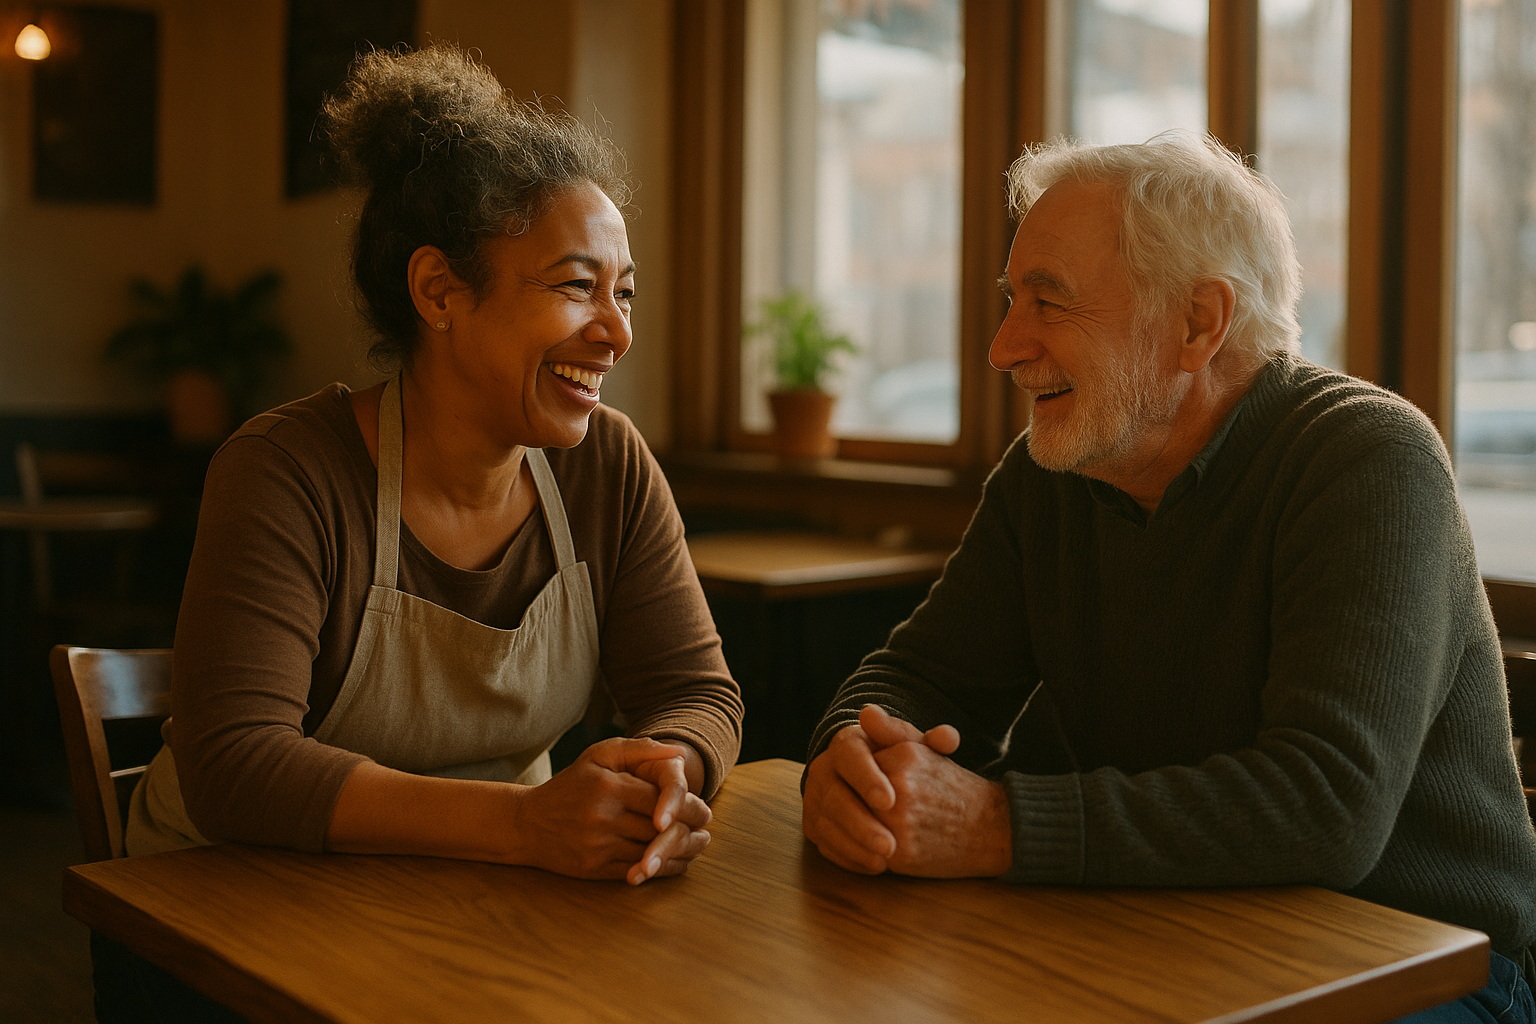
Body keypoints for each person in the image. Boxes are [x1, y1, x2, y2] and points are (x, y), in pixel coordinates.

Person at [800, 133, 1536, 1023]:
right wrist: (852, 762)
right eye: (1010, 299)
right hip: (1155, 928)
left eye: (1050, 302)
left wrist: (995, 825)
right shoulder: (1052, 474)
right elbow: (916, 678)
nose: (1003, 347)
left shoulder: (1368, 458)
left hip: (1422, 967)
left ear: (1199, 324)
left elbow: (1327, 805)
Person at [100, 44, 742, 1022]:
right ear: (440, 292)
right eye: (576, 286)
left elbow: (694, 689)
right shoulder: (286, 470)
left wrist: (664, 777)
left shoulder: (608, 465)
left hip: (475, 903)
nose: (616, 330)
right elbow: (236, 762)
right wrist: (526, 822)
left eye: (625, 292)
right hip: (229, 915)